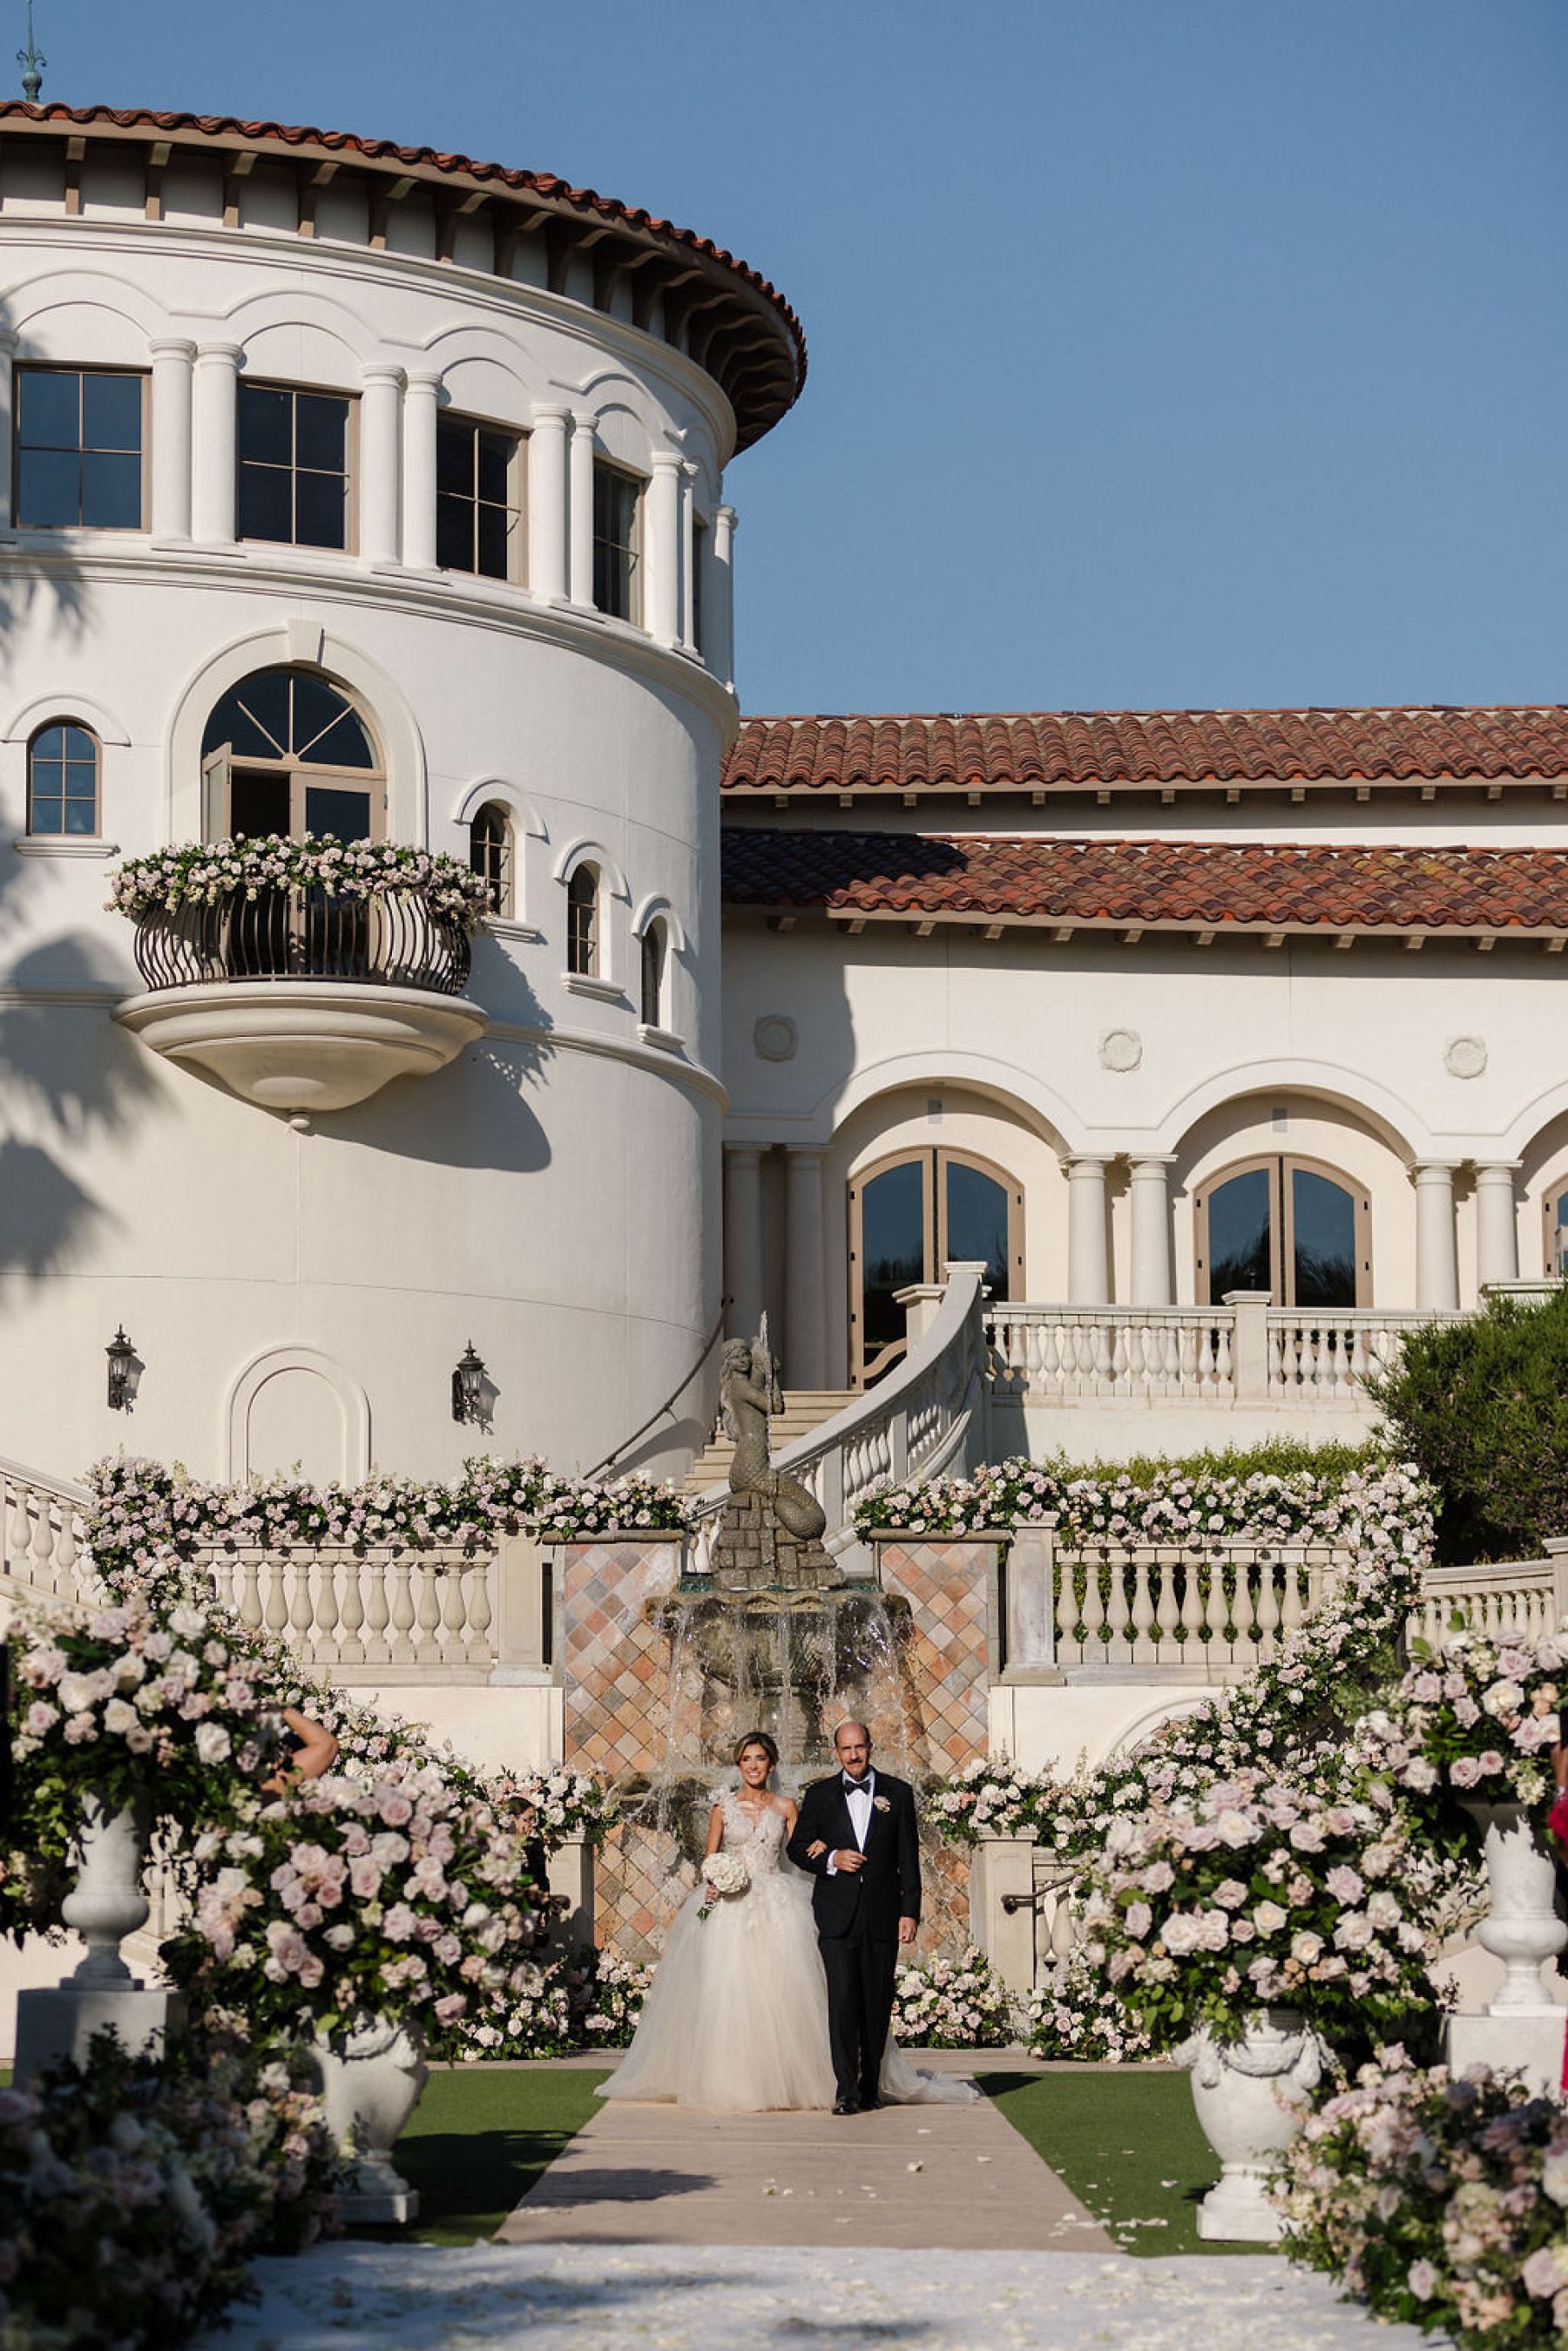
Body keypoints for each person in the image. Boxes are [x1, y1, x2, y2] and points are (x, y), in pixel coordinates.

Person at [600, 1727, 975, 2113]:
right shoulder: (724, 1807)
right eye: (746, 1759)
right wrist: (717, 1885)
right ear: (738, 1764)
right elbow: (713, 1861)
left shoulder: (792, 1806)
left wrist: (827, 1854)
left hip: (780, 1903)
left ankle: (842, 2083)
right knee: (731, 1993)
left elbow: (801, 1848)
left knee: (790, 1995)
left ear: (772, 1764)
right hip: (732, 1908)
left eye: (760, 1759)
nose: (753, 1766)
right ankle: (757, 2082)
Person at [787, 1720, 922, 2115]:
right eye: (846, 1749)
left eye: (859, 1747)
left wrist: (909, 1911)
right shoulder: (819, 1795)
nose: (853, 1755)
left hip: (882, 1914)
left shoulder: (898, 1793)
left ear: (870, 1747)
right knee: (843, 2000)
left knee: (876, 2002)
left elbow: (908, 1858)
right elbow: (796, 1847)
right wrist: (832, 1858)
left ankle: (869, 2086)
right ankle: (845, 2089)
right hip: (836, 1915)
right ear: (836, 1753)